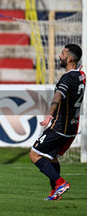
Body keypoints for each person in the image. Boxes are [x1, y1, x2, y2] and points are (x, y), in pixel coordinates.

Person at [29, 44, 85, 201]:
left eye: (62, 54)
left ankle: (60, 183)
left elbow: (57, 97)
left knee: (34, 154)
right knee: (51, 156)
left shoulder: (67, 78)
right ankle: (55, 192)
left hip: (60, 126)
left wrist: (49, 115)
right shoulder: (81, 76)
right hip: (72, 128)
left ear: (69, 58)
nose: (59, 56)